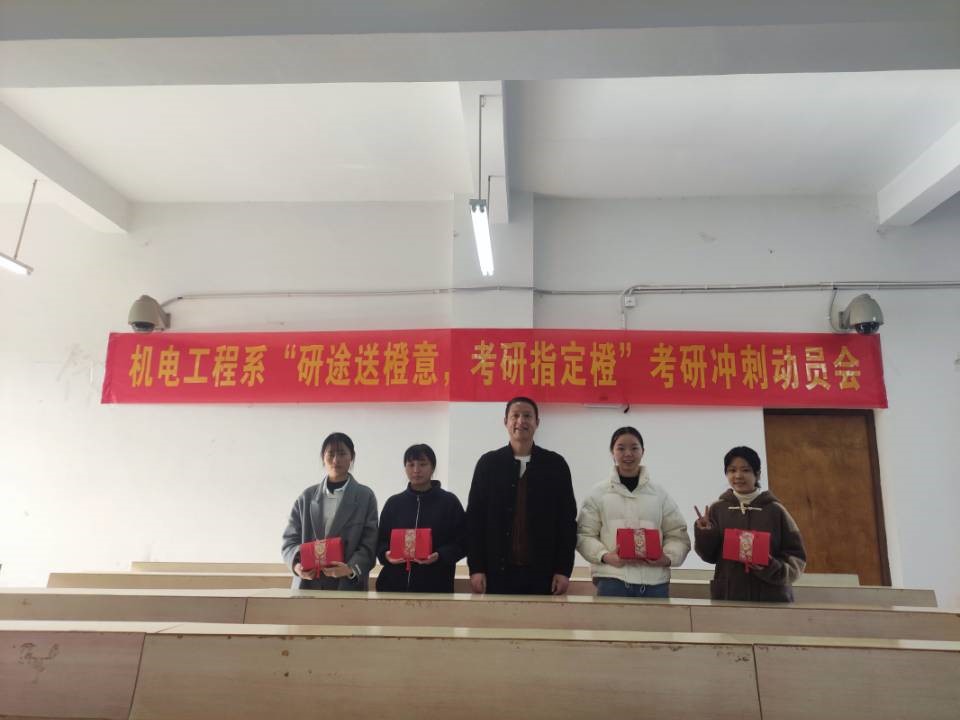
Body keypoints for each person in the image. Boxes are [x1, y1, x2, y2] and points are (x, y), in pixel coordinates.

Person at [466, 396, 578, 596]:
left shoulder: (555, 465)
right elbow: (475, 520)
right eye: (515, 416)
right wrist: (476, 568)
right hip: (496, 572)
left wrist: (563, 570)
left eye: (527, 416)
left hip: (543, 573)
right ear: (505, 421)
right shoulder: (488, 464)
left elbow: (567, 522)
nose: (521, 421)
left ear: (537, 422)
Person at [577, 426, 690, 598]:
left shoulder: (659, 494)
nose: (628, 454)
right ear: (612, 452)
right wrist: (605, 556)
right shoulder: (597, 493)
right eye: (621, 448)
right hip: (612, 581)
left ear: (643, 451)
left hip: (655, 584)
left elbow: (678, 534)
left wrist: (667, 557)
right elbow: (584, 534)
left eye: (634, 448)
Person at [693, 445, 806, 602]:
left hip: (771, 596)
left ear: (757, 474)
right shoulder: (717, 509)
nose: (738, 475)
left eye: (745, 470)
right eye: (732, 470)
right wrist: (705, 533)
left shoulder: (775, 510)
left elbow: (797, 558)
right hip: (729, 595)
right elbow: (708, 556)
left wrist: (770, 566)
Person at [281, 432, 378, 590]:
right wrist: (297, 566)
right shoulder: (306, 497)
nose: (335, 460)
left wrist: (350, 568)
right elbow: (289, 540)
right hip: (308, 585)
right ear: (323, 457)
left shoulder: (365, 496)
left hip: (346, 585)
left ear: (352, 457)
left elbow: (370, 543)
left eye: (342, 454)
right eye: (331, 454)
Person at [375, 443, 467, 593]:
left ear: (433, 467)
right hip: (392, 587)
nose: (416, 470)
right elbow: (380, 540)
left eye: (423, 464)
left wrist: (440, 555)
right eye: (411, 465)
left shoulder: (449, 502)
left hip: (435, 587)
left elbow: (463, 542)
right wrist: (386, 554)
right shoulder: (394, 503)